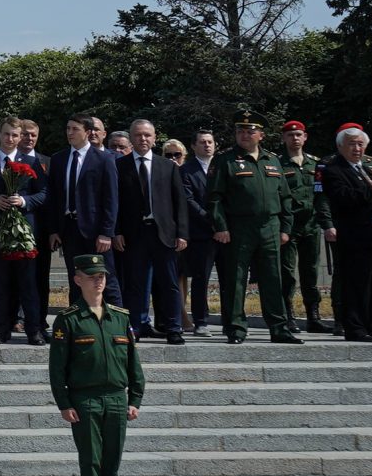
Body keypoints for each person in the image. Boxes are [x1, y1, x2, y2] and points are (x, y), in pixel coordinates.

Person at [51, 253, 145, 476]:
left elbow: (133, 362)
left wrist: (136, 398)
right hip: (86, 400)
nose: (99, 281)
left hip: (117, 399)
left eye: (102, 276)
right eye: (92, 276)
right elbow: (57, 368)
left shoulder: (120, 317)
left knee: (111, 464)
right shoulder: (68, 320)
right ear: (78, 280)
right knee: (91, 462)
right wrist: (65, 404)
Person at [207, 110, 294, 345]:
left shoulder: (272, 160)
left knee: (273, 278)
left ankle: (279, 328)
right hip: (238, 227)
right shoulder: (225, 160)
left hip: (270, 227)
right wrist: (221, 226)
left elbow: (285, 197)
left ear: (261, 135)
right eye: (240, 131)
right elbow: (214, 197)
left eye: (250, 131)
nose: (245, 135)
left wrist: (285, 228)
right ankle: (235, 328)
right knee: (235, 280)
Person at [318, 124, 372, 343]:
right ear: (340, 146)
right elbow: (341, 197)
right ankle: (355, 327)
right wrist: (371, 191)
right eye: (352, 144)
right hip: (355, 235)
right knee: (357, 283)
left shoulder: (370, 168)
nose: (357, 148)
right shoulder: (334, 169)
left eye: (360, 144)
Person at [113, 119, 186, 341]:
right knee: (135, 284)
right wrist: (116, 231)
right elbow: (115, 203)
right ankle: (134, 327)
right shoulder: (119, 166)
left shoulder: (167, 166)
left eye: (147, 135)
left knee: (169, 283)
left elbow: (179, 202)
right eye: (138, 135)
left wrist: (182, 233)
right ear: (131, 138)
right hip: (134, 234)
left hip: (164, 234)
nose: (143, 139)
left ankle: (174, 328)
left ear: (155, 138)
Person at [0, 120, 49, 344]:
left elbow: (44, 194)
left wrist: (24, 200)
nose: (10, 139)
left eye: (15, 135)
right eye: (7, 134)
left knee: (28, 283)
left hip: (25, 233)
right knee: (0, 282)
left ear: (20, 137)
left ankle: (33, 329)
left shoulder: (32, 162)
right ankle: (1, 329)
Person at [49, 117, 120, 314]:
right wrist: (54, 229)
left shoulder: (104, 159)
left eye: (75, 129)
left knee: (106, 278)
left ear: (87, 132)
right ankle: (78, 322)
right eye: (68, 128)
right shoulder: (59, 159)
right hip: (69, 229)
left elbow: (111, 198)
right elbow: (54, 197)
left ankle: (118, 325)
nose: (69, 133)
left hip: (96, 231)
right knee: (76, 279)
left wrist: (107, 232)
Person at [277, 121, 329, 334]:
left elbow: (321, 194)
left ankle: (313, 316)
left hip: (311, 225)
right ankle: (288, 316)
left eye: (298, 134)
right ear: (284, 138)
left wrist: (325, 222)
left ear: (305, 137)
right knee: (287, 273)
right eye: (290, 135)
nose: (295, 138)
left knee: (310, 272)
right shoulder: (278, 163)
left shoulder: (316, 164)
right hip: (288, 226)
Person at [181, 128, 220, 332]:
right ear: (193, 146)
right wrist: (211, 220)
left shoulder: (224, 166)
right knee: (200, 279)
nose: (207, 145)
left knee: (230, 278)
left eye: (210, 142)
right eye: (202, 142)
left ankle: (232, 320)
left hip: (226, 233)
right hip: (202, 233)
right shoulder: (186, 170)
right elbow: (188, 200)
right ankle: (201, 321)